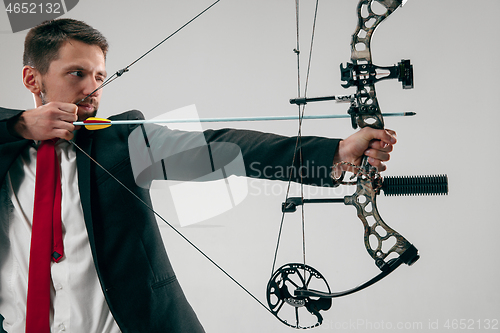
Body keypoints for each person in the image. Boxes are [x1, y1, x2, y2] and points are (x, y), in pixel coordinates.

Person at [0, 19, 396, 333]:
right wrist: (18, 126)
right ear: (32, 79)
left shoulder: (122, 140)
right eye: (76, 74)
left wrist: (333, 153)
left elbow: (218, 149)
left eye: (99, 77)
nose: (92, 89)